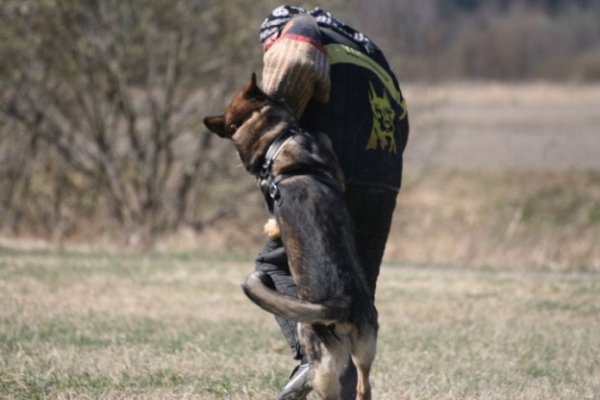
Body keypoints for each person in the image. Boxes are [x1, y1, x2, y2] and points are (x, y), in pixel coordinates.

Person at [255, 6, 409, 400]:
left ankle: (313, 358)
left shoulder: (296, 27)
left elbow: (293, 61)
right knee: (351, 298)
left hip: (328, 172)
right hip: (383, 174)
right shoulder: (366, 49)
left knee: (273, 269)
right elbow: (402, 117)